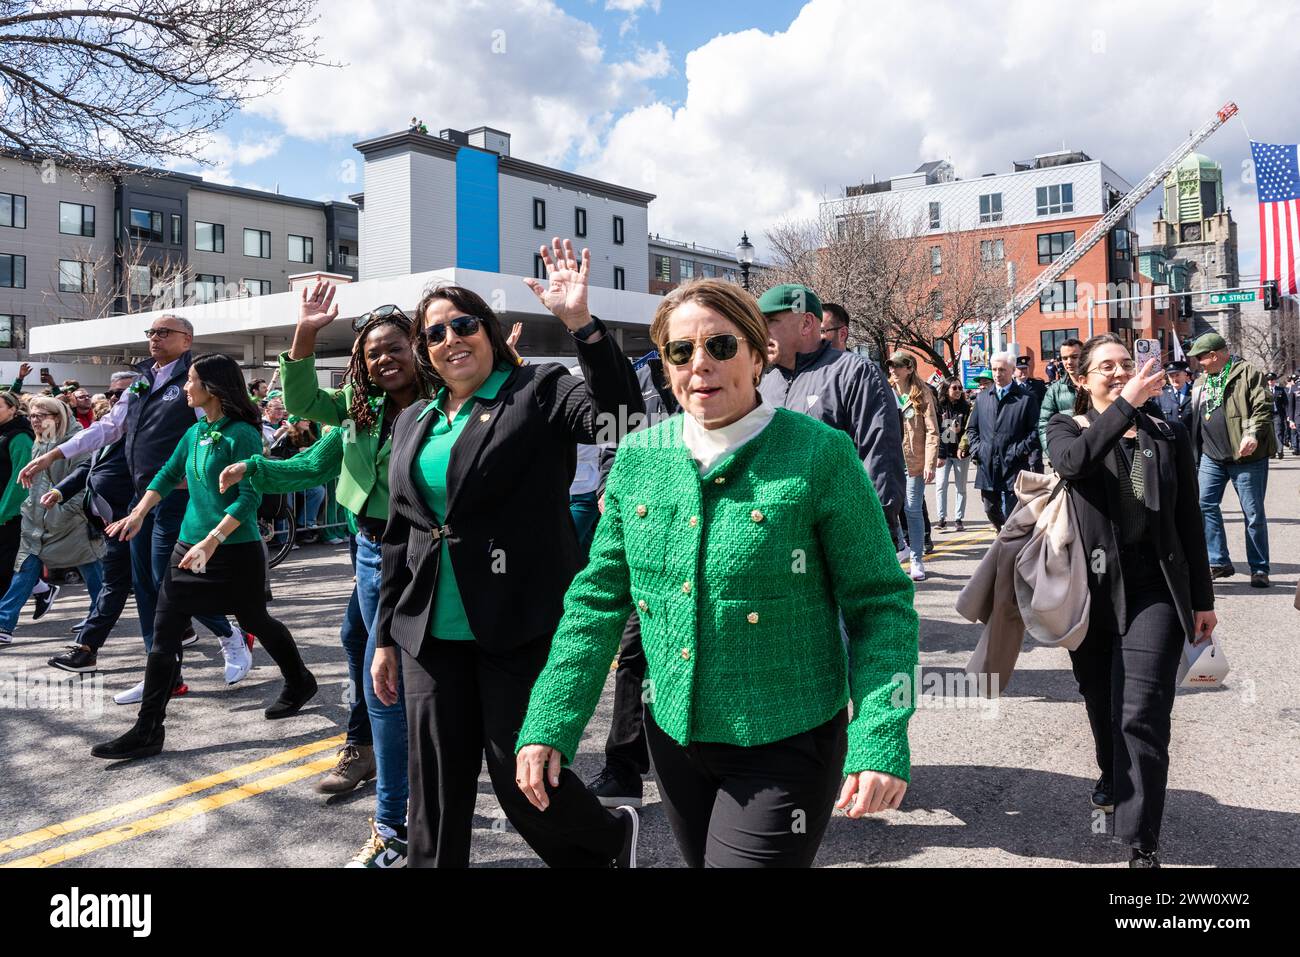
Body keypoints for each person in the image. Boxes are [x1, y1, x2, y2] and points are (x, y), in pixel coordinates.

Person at [515, 276, 919, 868]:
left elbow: (879, 605)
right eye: (681, 351)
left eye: (721, 346)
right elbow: (596, 600)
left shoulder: (821, 454)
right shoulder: (637, 457)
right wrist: (551, 718)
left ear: (759, 356)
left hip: (787, 736)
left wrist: (880, 734)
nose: (699, 364)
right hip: (676, 739)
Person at [375, 237, 644, 867]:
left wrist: (581, 324)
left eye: (463, 324)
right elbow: (402, 535)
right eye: (435, 334)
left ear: (490, 332)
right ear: (426, 352)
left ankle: (605, 843)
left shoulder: (538, 390)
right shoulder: (415, 420)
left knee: (518, 776)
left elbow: (623, 421)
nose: (451, 339)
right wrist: (386, 633)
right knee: (434, 789)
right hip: (428, 632)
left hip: (516, 621)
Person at [221, 291, 429, 864]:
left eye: (394, 348)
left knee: (384, 679)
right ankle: (363, 749)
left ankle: (394, 824)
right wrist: (305, 332)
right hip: (365, 545)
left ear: (419, 348)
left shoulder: (443, 407)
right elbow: (310, 446)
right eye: (370, 355)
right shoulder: (358, 411)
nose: (383, 360)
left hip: (410, 550)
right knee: (355, 642)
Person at [91, 354, 317, 761]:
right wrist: (138, 514)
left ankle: (299, 680)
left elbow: (250, 497)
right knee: (164, 632)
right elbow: (166, 474)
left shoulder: (242, 434)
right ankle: (148, 730)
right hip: (187, 545)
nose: (187, 388)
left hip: (234, 550)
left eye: (192, 380)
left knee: (254, 620)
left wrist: (212, 540)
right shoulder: (195, 431)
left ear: (211, 388)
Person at [1046, 334, 1216, 868]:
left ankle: (1142, 842)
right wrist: (1124, 408)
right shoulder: (1066, 428)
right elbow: (1074, 464)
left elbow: (1189, 518)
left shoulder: (1165, 434)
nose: (1120, 373)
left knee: (1141, 713)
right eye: (1106, 367)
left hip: (1154, 591)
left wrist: (1202, 599)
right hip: (1089, 591)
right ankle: (1112, 772)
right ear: (1082, 378)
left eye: (1127, 364)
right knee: (1102, 702)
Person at [18, 316, 247, 704]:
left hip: (179, 498)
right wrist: (53, 455)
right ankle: (163, 674)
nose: (154, 339)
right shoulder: (142, 380)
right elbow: (108, 428)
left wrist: (206, 484)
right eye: (151, 333)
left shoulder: (195, 380)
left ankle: (229, 634)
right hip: (140, 500)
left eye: (164, 333)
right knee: (143, 586)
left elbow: (213, 432)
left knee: (166, 580)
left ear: (186, 339)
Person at [585, 352, 682, 809]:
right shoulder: (635, 379)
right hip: (644, 538)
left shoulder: (716, 370)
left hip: (703, 533)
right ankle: (624, 769)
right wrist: (606, 488)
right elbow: (611, 443)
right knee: (632, 652)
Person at [757, 283, 905, 543]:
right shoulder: (766, 384)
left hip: (842, 543)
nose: (760, 333)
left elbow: (879, 462)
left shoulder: (856, 373)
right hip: (782, 545)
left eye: (770, 321)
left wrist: (870, 541)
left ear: (806, 324)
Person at [0, 397, 104, 644]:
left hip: (72, 521)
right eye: (32, 415)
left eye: (41, 415)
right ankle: (4, 623)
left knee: (93, 571)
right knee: (24, 569)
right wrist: (31, 511)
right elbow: (35, 486)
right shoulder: (39, 442)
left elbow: (84, 479)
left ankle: (100, 616)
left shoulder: (77, 442)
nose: (35, 420)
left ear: (57, 417)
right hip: (39, 523)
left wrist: (64, 510)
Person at [1186, 332, 1276, 588]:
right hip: (1211, 457)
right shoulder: (1201, 381)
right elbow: (1193, 415)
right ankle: (1219, 561)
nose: (1198, 363)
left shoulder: (1248, 373)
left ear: (1214, 355)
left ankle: (1259, 568)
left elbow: (1262, 407)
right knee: (1204, 504)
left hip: (1246, 458)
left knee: (1253, 513)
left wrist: (1252, 434)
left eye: (1200, 358)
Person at [965, 351, 1040, 531]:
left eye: (1002, 370)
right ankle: (1003, 534)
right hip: (988, 464)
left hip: (1013, 464)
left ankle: (1011, 543)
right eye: (995, 370)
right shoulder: (983, 398)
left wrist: (1018, 450)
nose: (998, 374)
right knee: (990, 508)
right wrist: (978, 449)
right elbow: (972, 428)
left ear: (1013, 370)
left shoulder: (1026, 398)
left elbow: (1036, 430)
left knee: (1013, 511)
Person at [886, 351, 938, 581]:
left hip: (913, 462)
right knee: (888, 508)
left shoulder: (922, 393)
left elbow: (932, 431)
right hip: (888, 461)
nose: (893, 371)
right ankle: (900, 547)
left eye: (898, 366)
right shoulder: (884, 390)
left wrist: (930, 463)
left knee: (912, 510)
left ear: (909, 368)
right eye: (891, 366)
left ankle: (916, 559)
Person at [0, 391, 34, 600]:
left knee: (5, 566)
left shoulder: (19, 436)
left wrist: (4, 511)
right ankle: (41, 590)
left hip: (10, 515)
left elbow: (20, 480)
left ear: (13, 409)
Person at [1037, 338, 1082, 464]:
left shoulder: (1096, 384)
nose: (1069, 362)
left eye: (1074, 357)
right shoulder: (1054, 391)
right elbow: (1043, 425)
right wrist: (1054, 455)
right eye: (1065, 358)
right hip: (1069, 458)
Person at [935, 378, 971, 533]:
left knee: (961, 487)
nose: (958, 391)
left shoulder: (966, 407)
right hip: (943, 452)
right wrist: (951, 429)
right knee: (940, 485)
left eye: (960, 388)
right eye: (954, 388)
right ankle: (941, 518)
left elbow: (970, 429)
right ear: (947, 389)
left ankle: (958, 519)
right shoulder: (939, 406)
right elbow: (936, 429)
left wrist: (960, 437)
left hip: (960, 453)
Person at [1155, 360, 1195, 434]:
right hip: (1171, 441)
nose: (1174, 379)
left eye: (1177, 375)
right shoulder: (1162, 395)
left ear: (1185, 374)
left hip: (1191, 441)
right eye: (1171, 376)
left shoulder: (1195, 392)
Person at [1268, 373, 1287, 461]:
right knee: (1270, 434)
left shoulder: (1280, 390)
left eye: (1272, 380)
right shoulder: (1263, 390)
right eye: (1269, 380)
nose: (1270, 381)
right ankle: (1272, 452)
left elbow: (1286, 403)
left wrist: (1287, 415)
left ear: (1275, 380)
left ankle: (1280, 450)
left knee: (1278, 432)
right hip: (1267, 415)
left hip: (1277, 414)